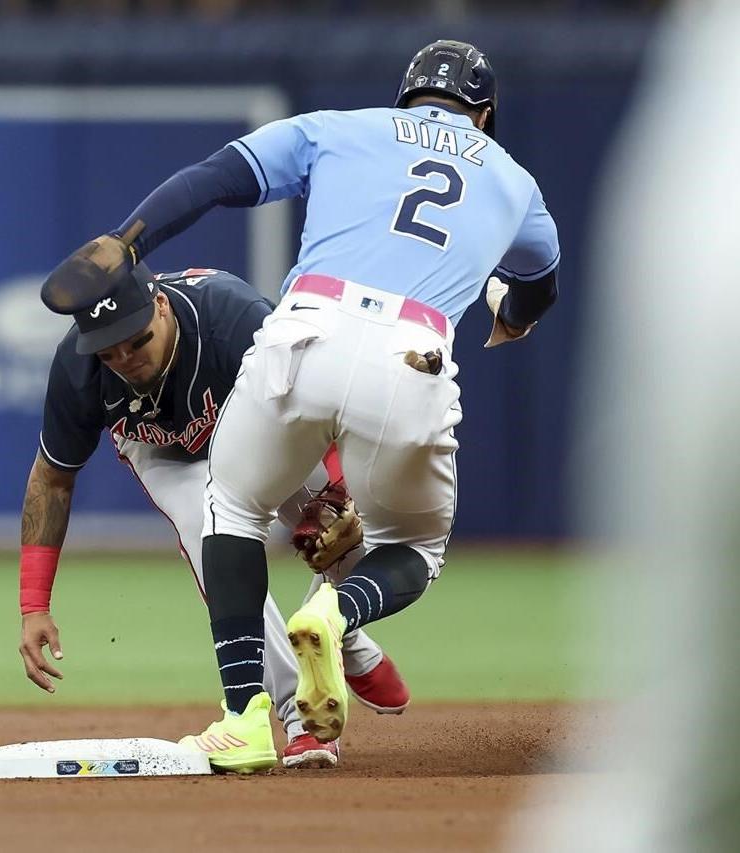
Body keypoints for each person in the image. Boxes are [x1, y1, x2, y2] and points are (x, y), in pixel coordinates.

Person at [44, 39, 560, 773]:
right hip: (411, 356)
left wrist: (129, 240)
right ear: (484, 114)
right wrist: (511, 310)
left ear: (405, 97)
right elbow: (538, 284)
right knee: (409, 548)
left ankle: (245, 718)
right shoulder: (514, 181)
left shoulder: (340, 126)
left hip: (301, 333)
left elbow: (212, 178)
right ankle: (337, 611)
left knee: (228, 504)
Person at [19, 259, 409, 771]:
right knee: (211, 537)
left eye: (135, 340)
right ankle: (303, 718)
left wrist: (338, 488)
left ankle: (344, 635)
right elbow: (52, 479)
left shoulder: (235, 320)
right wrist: (33, 604)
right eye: (107, 350)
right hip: (167, 455)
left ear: (160, 304)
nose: (124, 358)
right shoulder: (78, 368)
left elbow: (326, 410)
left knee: (345, 539)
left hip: (266, 429)